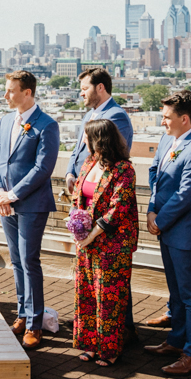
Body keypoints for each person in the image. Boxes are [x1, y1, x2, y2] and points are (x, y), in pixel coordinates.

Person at [144, 91, 191, 376]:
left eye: (166, 117)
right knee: (176, 293)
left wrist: (160, 220)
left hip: (186, 233)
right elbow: (157, 179)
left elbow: (186, 195)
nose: (162, 121)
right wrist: (151, 209)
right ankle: (176, 340)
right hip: (167, 228)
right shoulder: (169, 140)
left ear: (184, 119)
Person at [0, 70, 60, 350]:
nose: (5, 95)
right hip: (5, 202)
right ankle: (21, 313)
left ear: (27, 92)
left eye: (10, 90)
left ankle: (34, 323)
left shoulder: (47, 125)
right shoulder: (6, 121)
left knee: (30, 261)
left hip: (31, 203)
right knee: (16, 261)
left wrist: (12, 194)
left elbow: (43, 169)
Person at [65, 67, 138, 335]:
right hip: (85, 194)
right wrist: (72, 173)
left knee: (111, 283)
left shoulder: (116, 116)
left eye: (85, 88)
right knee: (93, 281)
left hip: (106, 214)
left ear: (100, 87)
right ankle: (95, 329)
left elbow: (114, 159)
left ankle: (121, 331)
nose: (81, 93)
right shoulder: (90, 115)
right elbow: (79, 152)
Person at [72, 118, 138, 367]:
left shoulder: (124, 170)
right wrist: (77, 227)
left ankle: (109, 350)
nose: (83, 141)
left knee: (109, 298)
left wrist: (90, 235)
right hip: (86, 242)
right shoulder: (89, 162)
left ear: (99, 140)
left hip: (112, 244)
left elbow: (117, 209)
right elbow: (78, 197)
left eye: (87, 137)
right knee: (87, 294)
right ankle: (90, 344)